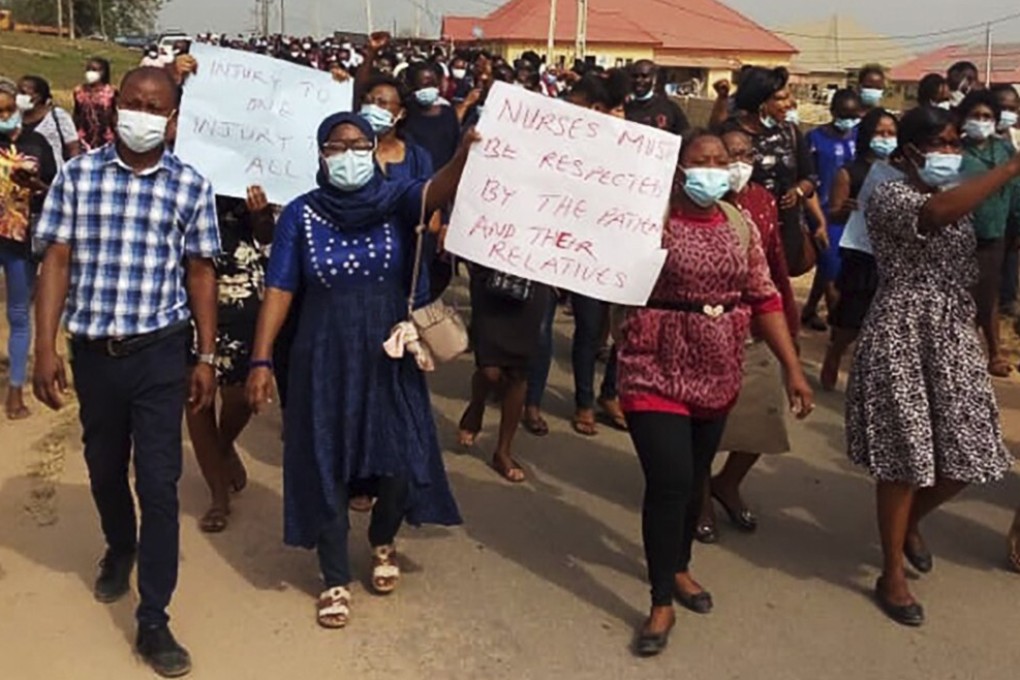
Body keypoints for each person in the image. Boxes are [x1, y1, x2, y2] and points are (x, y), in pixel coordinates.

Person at [32, 67, 220, 677]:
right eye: (133, 103)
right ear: (117, 109)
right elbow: (55, 261)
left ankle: (154, 619)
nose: (142, 114)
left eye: (154, 107)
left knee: (160, 483)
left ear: (172, 119)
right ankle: (120, 544)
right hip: (95, 352)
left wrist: (207, 355)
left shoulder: (190, 185)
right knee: (104, 467)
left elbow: (200, 273)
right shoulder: (79, 177)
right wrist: (44, 346)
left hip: (161, 353)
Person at [245, 112, 464, 629]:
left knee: (402, 460)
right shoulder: (300, 215)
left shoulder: (397, 203)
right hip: (322, 357)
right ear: (321, 155)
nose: (348, 154)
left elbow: (437, 190)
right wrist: (260, 358)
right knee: (325, 461)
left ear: (373, 149)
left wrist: (467, 152)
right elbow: (280, 287)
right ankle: (334, 576)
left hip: (389, 353)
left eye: (358, 144)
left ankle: (383, 536)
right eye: (336, 146)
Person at [619, 131, 813, 656]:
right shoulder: (650, 216)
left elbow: (764, 297)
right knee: (670, 480)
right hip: (652, 362)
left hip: (718, 365)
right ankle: (660, 600)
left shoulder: (738, 223)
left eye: (720, 161)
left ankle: (679, 566)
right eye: (700, 161)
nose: (712, 169)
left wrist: (793, 369)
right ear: (678, 169)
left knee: (693, 481)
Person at [845, 105, 1015, 627]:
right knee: (904, 455)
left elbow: (979, 267)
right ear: (908, 151)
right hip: (901, 330)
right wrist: (1011, 166)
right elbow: (935, 216)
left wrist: (989, 336)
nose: (949, 153)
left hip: (952, 331)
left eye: (953, 143)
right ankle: (890, 570)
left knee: (971, 453)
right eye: (938, 143)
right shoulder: (891, 194)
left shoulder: (960, 199)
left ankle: (910, 521)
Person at [694, 129, 801, 543]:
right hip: (704, 331)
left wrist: (787, 333)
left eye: (745, 154)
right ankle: (699, 494)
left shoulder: (762, 200)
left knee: (762, 421)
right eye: (727, 155)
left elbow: (774, 268)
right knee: (702, 427)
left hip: (756, 327)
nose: (737, 163)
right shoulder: (693, 204)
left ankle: (728, 482)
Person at [186, 186, 274, 533]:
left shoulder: (251, 166)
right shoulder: (172, 168)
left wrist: (260, 212)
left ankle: (221, 446)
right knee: (194, 394)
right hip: (181, 285)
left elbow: (267, 234)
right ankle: (217, 494)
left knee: (241, 393)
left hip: (241, 288)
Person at [820, 108, 900, 390]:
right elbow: (833, 212)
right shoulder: (851, 172)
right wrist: (846, 209)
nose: (886, 139)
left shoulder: (901, 171)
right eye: (880, 133)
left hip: (890, 255)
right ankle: (834, 356)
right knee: (851, 319)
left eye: (891, 133)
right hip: (860, 255)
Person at [721, 66, 819, 276]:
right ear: (761, 102)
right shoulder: (729, 133)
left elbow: (810, 176)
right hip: (741, 222)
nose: (788, 104)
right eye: (780, 99)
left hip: (784, 224)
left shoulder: (790, 132)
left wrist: (799, 191)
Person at [0, 78, 57, 420]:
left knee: (19, 316)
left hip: (21, 244)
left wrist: (33, 184)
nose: (5, 116)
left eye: (9, 110)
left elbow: (53, 188)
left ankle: (15, 392)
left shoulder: (37, 145)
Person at [957, 90, 1018, 376]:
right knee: (960, 295)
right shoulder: (954, 150)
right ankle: (961, 352)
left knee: (989, 294)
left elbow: (1016, 190)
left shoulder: (1006, 152)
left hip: (994, 233)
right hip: (959, 233)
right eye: (975, 116)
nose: (981, 121)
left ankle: (994, 352)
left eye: (987, 117)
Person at [802, 89, 863, 330]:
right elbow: (808, 177)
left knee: (831, 265)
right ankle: (840, 326)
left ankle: (808, 310)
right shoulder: (815, 139)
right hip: (823, 213)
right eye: (843, 114)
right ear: (833, 112)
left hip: (852, 212)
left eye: (853, 114)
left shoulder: (860, 138)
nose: (848, 119)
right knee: (831, 269)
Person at [991, 84, 1020, 318]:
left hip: (1012, 211)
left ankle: (1008, 299)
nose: (1007, 114)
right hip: (986, 212)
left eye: (1013, 108)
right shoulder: (971, 140)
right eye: (1003, 108)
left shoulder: (1016, 139)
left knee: (1010, 253)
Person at [16, 75, 80, 166]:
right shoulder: (13, 117)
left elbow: (73, 148)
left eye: (22, 92)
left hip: (54, 174)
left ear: (37, 97)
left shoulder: (58, 116)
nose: (17, 96)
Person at [625, 60, 690, 135]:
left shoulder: (671, 109)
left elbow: (686, 137)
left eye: (644, 76)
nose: (638, 80)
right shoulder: (623, 109)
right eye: (635, 76)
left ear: (654, 79)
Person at [73, 57, 117, 151]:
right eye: (88, 69)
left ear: (103, 72)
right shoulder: (79, 91)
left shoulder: (111, 92)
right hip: (84, 138)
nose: (90, 73)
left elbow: (114, 115)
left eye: (94, 70)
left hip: (106, 138)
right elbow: (77, 113)